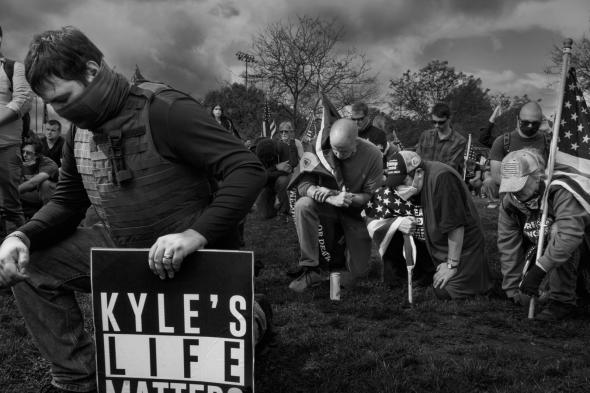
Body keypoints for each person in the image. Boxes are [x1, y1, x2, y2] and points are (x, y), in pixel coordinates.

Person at [0, 26, 267, 393]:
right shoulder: (77, 132)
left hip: (195, 256)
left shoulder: (167, 110)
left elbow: (247, 169)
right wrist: (21, 235)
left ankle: (255, 312)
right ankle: (79, 378)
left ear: (92, 71)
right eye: (53, 105)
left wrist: (194, 235)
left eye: (64, 99)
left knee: (212, 361)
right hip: (122, 245)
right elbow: (66, 203)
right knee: (33, 266)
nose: (62, 112)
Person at [376, 150, 492, 299]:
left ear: (418, 172)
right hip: (431, 245)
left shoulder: (442, 178)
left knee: (445, 291)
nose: (399, 189)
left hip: (460, 247)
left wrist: (451, 265)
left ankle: (456, 272)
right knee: (392, 232)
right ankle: (422, 273)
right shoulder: (414, 183)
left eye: (403, 182)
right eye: (396, 185)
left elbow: (456, 225)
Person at [288, 119, 384, 292]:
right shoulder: (318, 146)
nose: (338, 155)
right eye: (335, 149)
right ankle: (310, 267)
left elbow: (370, 196)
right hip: (326, 207)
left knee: (359, 271)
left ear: (356, 142)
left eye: (344, 151)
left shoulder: (373, 154)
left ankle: (345, 256)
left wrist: (341, 196)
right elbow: (303, 185)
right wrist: (327, 197)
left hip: (355, 213)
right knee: (303, 205)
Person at [497, 148, 590, 321]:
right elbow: (507, 245)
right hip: (544, 251)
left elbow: (570, 235)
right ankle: (572, 286)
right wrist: (512, 290)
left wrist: (539, 270)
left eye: (522, 184)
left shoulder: (561, 189)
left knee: (557, 231)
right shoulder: (509, 204)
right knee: (526, 299)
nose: (516, 191)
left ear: (538, 174)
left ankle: (562, 301)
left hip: (581, 244)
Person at [0, 24, 33, 237]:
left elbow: (23, 100)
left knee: (10, 206)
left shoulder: (14, 67)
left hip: (7, 147)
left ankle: (19, 251)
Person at [486, 101, 551, 206]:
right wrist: (521, 189)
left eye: (535, 123)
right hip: (511, 196)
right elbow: (496, 174)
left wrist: (549, 131)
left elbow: (564, 159)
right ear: (518, 120)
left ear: (541, 122)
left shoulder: (548, 141)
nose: (530, 126)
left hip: (540, 196)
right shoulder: (502, 141)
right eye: (525, 122)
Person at [254, 136, 292, 219]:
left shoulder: (284, 148)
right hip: (266, 184)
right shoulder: (258, 152)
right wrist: (276, 167)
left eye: (270, 158)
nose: (268, 160)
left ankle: (284, 210)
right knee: (264, 215)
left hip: (281, 182)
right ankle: (274, 205)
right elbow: (259, 175)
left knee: (283, 180)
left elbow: (287, 171)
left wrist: (269, 172)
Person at [19, 138, 58, 217]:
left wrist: (12, 192)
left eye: (29, 153)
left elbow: (33, 183)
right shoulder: (19, 161)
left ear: (37, 155)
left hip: (47, 197)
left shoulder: (48, 164)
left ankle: (49, 216)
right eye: (23, 152)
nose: (24, 155)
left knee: (45, 184)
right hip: (26, 197)